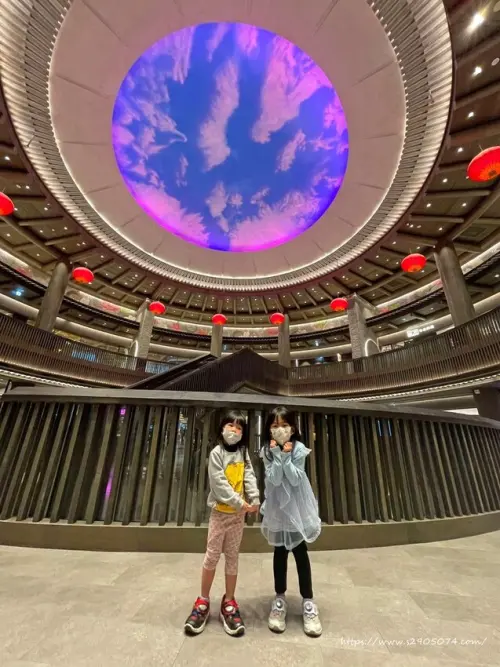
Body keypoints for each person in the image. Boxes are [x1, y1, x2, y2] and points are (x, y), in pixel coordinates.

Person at [184, 410, 260, 637]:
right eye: (230, 426)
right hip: (220, 514)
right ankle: (203, 600)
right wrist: (240, 502)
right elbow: (218, 484)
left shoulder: (243, 453)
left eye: (239, 428)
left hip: (238, 517)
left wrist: (254, 497)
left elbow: (249, 475)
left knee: (233, 557)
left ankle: (229, 602)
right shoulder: (216, 453)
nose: (234, 431)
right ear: (222, 428)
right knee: (212, 555)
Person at [260, 406, 322, 637]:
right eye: (275, 425)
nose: (280, 430)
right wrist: (278, 456)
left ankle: (308, 601)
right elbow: (274, 479)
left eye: (284, 425)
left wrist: (286, 457)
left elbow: (296, 480)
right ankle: (279, 599)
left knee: (300, 551)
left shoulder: (299, 450)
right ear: (269, 429)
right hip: (278, 508)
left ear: (293, 428)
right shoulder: (267, 451)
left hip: (297, 508)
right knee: (279, 551)